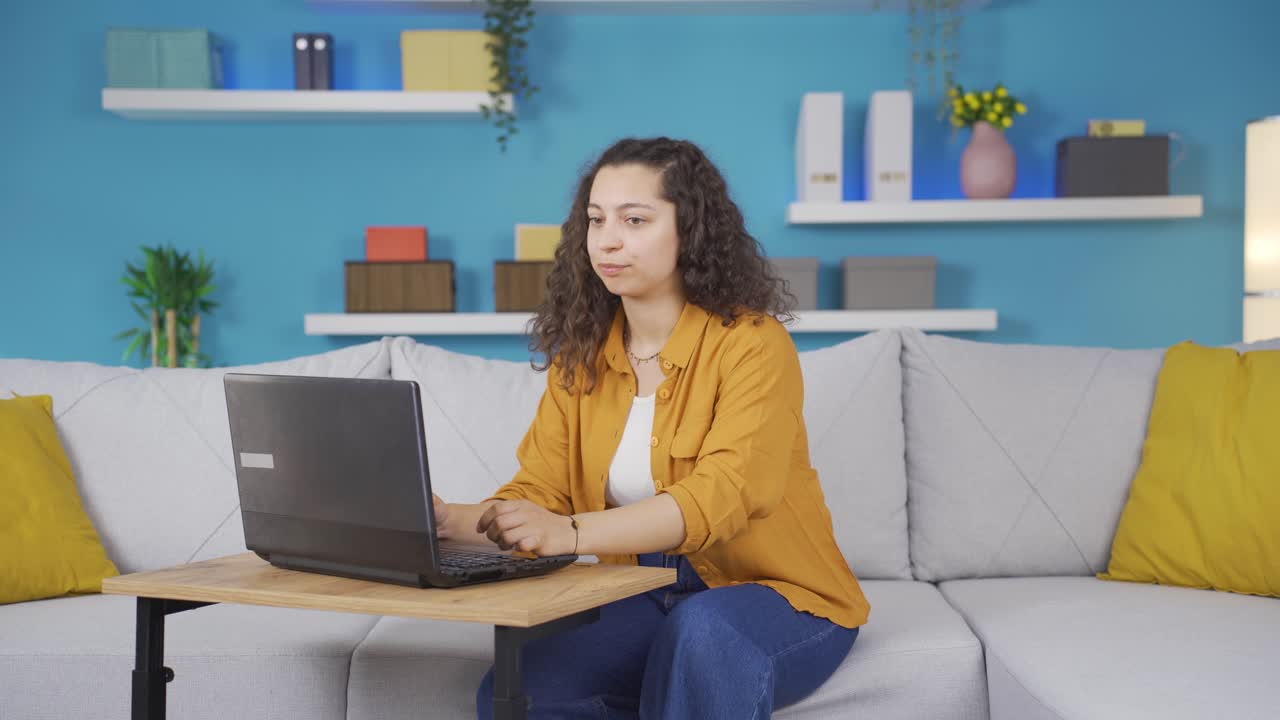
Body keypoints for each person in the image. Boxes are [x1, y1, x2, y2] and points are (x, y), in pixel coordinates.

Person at [432, 137, 870, 719]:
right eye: (596, 220)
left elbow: (728, 491)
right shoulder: (581, 358)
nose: (608, 240)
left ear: (689, 231)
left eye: (635, 220)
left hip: (781, 596)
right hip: (640, 589)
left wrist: (572, 533)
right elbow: (541, 492)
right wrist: (446, 520)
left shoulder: (754, 345)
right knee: (518, 690)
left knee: (705, 634)